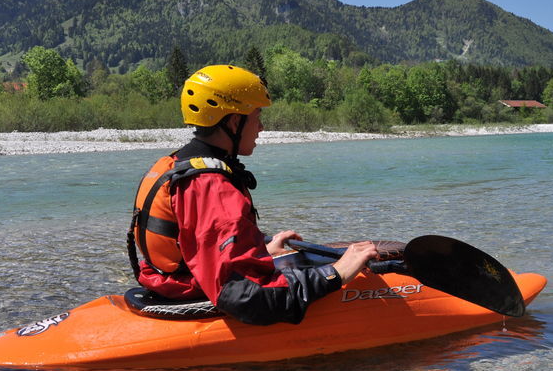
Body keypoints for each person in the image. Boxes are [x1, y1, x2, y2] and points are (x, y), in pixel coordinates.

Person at [128, 64, 379, 325]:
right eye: (257, 115)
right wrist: (337, 272)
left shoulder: (173, 164)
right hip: (194, 290)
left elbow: (198, 243)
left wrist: (260, 250)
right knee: (335, 270)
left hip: (170, 281)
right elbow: (246, 297)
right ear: (235, 121)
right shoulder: (212, 186)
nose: (260, 127)